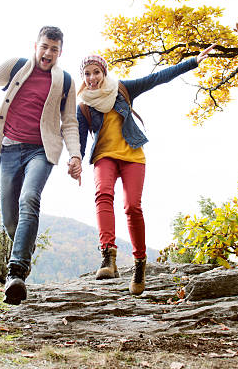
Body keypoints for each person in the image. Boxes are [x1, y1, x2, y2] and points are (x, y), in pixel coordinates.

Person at [76, 44, 216, 295]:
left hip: (132, 154)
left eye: (95, 72)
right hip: (104, 156)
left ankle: (139, 264)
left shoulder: (122, 89)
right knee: (103, 195)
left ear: (103, 72)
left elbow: (157, 78)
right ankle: (108, 256)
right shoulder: (84, 105)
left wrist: (193, 61)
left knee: (132, 206)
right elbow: (79, 139)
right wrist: (74, 159)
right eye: (86, 73)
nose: (91, 78)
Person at [0, 26, 82, 305]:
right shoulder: (16, 67)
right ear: (35, 45)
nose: (48, 53)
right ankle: (25, 244)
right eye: (44, 47)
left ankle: (16, 274)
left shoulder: (65, 81)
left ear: (60, 52)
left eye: (54, 49)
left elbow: (70, 122)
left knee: (30, 198)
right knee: (10, 219)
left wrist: (75, 155)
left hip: (41, 151)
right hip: (11, 150)